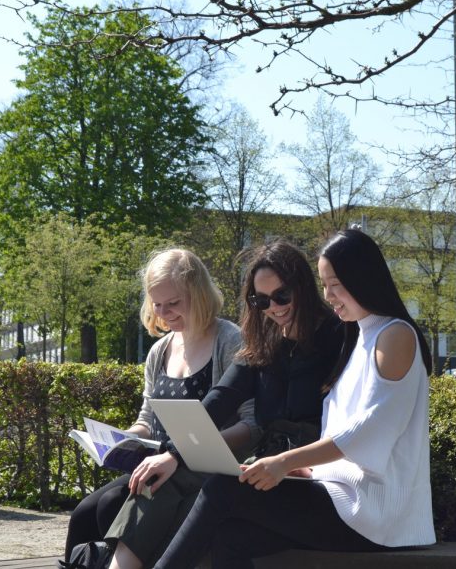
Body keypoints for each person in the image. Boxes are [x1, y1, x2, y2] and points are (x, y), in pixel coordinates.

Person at [150, 228, 436, 569]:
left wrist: (284, 461)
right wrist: (307, 469)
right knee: (230, 535)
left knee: (223, 488)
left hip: (375, 513)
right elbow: (226, 395)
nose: (328, 296)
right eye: (325, 285)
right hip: (342, 497)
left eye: (335, 285)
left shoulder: (393, 335)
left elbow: (370, 431)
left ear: (362, 279)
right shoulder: (359, 335)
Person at [103, 240, 345, 569]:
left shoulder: (338, 334)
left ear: (302, 285)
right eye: (260, 300)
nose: (273, 308)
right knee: (212, 525)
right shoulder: (265, 338)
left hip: (314, 473)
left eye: (281, 296)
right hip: (268, 469)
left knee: (216, 495)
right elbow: (220, 397)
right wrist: (175, 453)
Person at [62, 248, 255, 566]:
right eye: (157, 304)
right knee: (84, 513)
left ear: (199, 294)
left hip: (201, 469)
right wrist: (124, 439)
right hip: (158, 463)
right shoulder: (160, 350)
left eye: (173, 303)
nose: (163, 313)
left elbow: (251, 424)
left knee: (111, 503)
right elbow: (147, 419)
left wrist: (190, 450)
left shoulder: (230, 341)